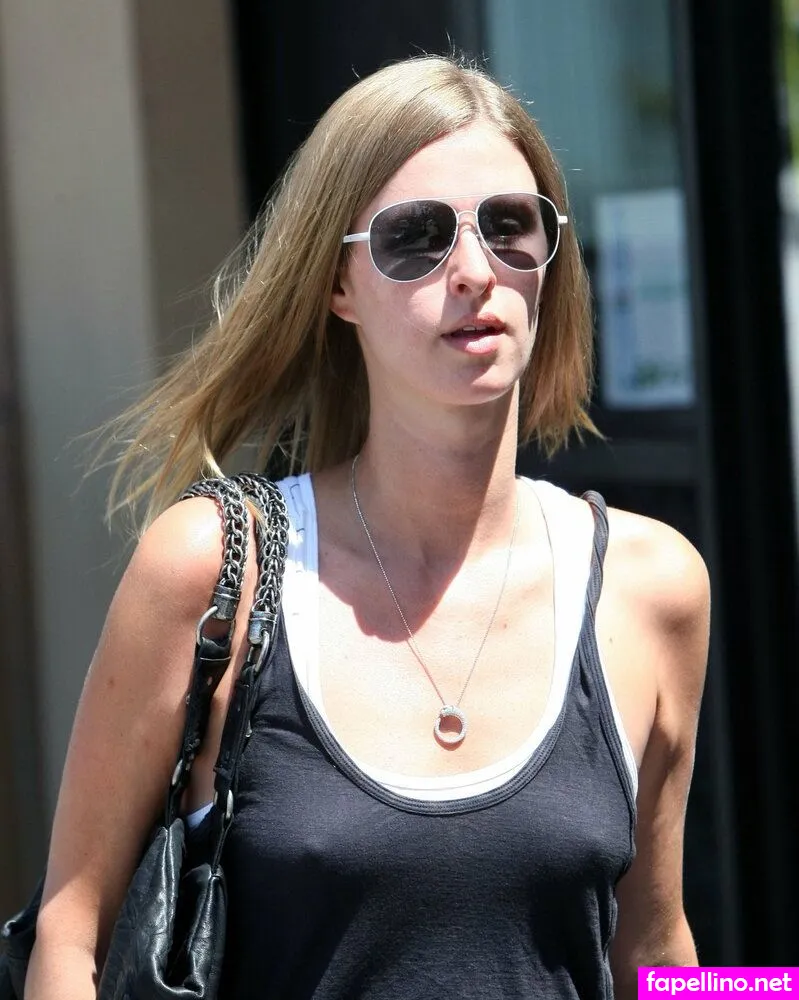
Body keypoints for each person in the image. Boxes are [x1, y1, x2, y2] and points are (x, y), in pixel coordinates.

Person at [25, 55, 710, 999]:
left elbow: (656, 957)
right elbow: (71, 931)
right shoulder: (214, 569)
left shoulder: (649, 587)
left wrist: (775, 989)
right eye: (414, 238)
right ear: (337, 284)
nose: (473, 271)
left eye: (510, 227)